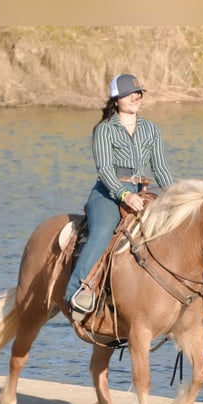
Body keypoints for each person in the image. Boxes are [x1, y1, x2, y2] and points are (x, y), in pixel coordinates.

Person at [65, 73, 174, 315]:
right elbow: (104, 169)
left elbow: (161, 168)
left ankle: (195, 295)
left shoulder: (151, 129)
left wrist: (176, 197)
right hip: (108, 192)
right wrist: (124, 195)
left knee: (177, 228)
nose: (135, 97)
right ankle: (76, 291)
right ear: (116, 100)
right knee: (102, 231)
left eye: (138, 93)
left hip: (142, 192)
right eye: (128, 94)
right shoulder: (104, 130)